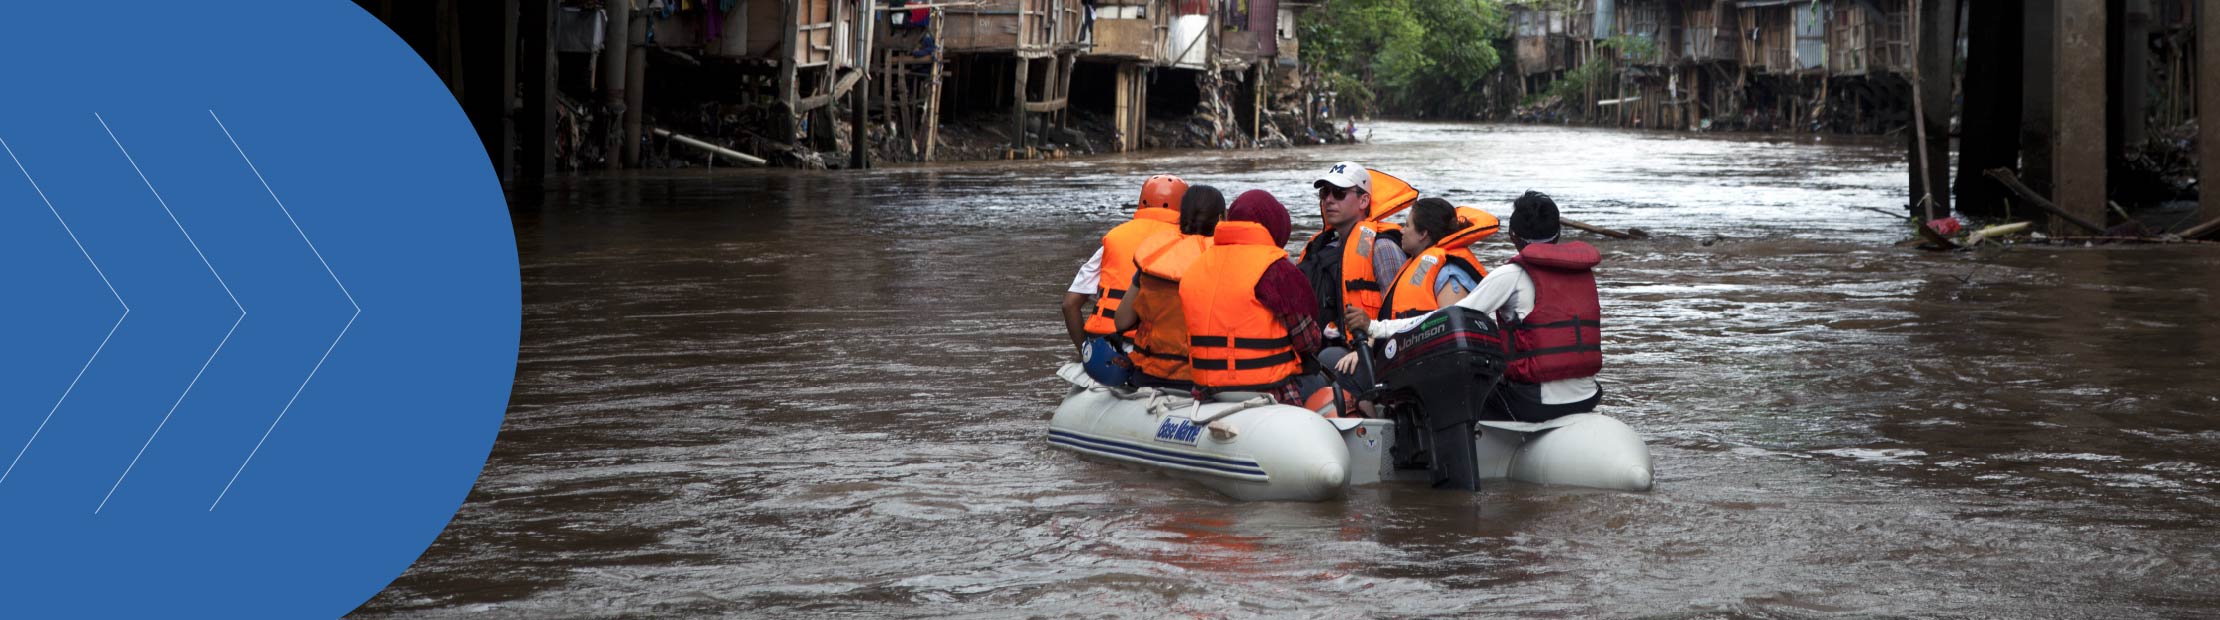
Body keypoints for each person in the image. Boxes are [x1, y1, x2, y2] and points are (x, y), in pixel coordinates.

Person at [1345, 191, 1602, 422]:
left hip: (1533, 402)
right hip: (1588, 395)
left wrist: (1375, 327)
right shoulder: (1583, 274)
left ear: (1514, 237)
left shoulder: (1511, 275)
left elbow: (1446, 318)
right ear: (1558, 234)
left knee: (1449, 391)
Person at [1324, 197, 1500, 389]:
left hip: (1431, 371)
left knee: (1347, 372)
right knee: (1334, 360)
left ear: (1423, 234)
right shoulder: (1416, 265)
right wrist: (1364, 349)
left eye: (1407, 225)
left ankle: (1368, 412)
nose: (1402, 230)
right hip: (1404, 360)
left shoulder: (1449, 274)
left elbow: (1453, 335)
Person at [1179, 191, 1323, 404]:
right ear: (1274, 225)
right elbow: (1308, 341)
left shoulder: (1197, 264)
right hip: (1269, 391)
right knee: (1320, 383)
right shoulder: (1276, 269)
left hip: (1206, 392)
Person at [1111, 185, 1227, 390]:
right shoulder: (1226, 263)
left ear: (1181, 216)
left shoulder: (1154, 260)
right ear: (1220, 219)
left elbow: (1122, 321)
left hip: (1149, 375)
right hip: (1204, 379)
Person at [1062, 174, 1187, 356]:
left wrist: (1084, 353)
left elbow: (1069, 305)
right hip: (1155, 347)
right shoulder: (1188, 243)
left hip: (1102, 341)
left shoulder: (1114, 238)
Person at [1296, 161, 1416, 331]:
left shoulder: (1383, 247)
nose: (1328, 200)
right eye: (1324, 193)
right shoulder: (1322, 248)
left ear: (1363, 200)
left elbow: (1400, 313)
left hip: (1369, 348)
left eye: (1338, 193)